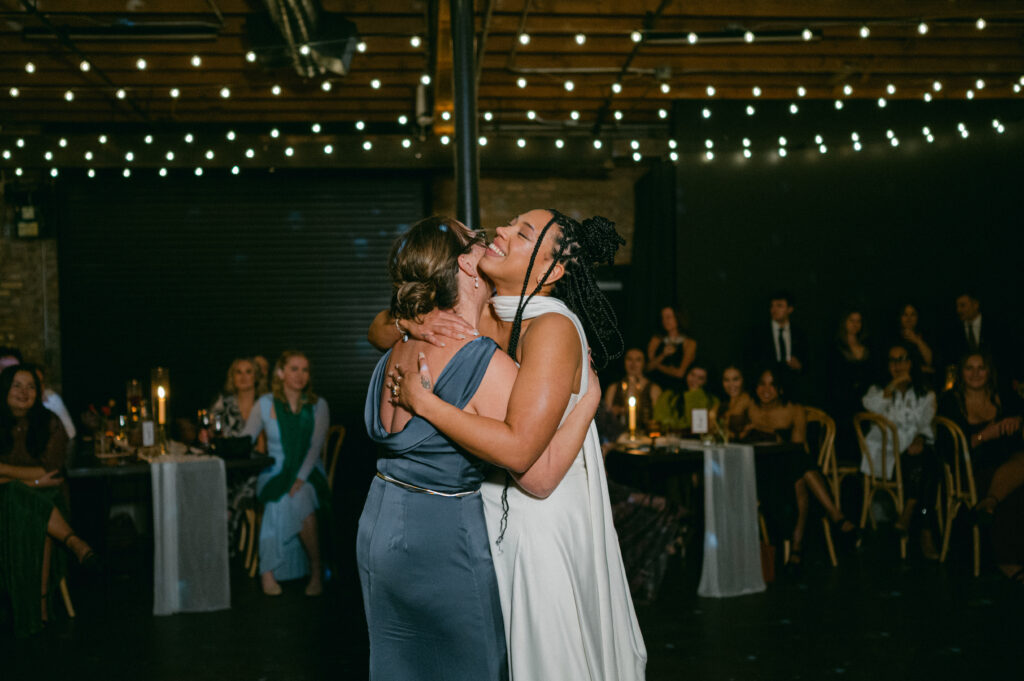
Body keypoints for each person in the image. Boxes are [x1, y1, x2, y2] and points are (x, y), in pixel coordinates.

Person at [382, 209, 646, 680]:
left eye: (522, 233)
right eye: (510, 223)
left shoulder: (550, 328)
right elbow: (379, 325)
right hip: (486, 514)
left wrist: (588, 405)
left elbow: (533, 471)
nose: (500, 231)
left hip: (537, 520)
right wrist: (415, 326)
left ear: (551, 271)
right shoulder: (484, 313)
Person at [0, 364, 97, 636]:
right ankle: (73, 542)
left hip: (45, 500)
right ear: (4, 389)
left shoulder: (50, 423)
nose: (24, 392)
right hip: (5, 506)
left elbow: (51, 472)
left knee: (34, 503)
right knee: (25, 497)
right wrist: (32, 481)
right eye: (17, 385)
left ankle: (38, 603)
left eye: (31, 386)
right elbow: (39, 476)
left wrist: (8, 472)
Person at [241, 351, 330, 597]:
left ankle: (315, 569)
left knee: (299, 496)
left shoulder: (317, 405)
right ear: (280, 373)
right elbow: (245, 439)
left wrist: (299, 479)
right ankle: (267, 572)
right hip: (274, 471)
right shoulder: (265, 404)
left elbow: (314, 449)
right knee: (277, 497)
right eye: (294, 369)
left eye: (305, 370)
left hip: (309, 472)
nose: (300, 375)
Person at [747, 367, 854, 566]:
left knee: (798, 474)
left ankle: (797, 546)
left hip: (788, 464)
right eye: (762, 383)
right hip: (761, 470)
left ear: (781, 388)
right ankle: (835, 516)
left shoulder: (795, 410)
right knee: (800, 469)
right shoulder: (750, 407)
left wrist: (767, 432)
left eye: (772, 384)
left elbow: (797, 443)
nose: (766, 389)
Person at [937, 353, 1024, 581]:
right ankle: (1007, 562)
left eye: (981, 368)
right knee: (1013, 490)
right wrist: (986, 435)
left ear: (990, 371)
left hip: (1009, 464)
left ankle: (989, 503)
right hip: (970, 470)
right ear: (961, 372)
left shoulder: (1004, 396)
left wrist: (1016, 421)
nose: (976, 373)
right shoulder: (950, 402)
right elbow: (948, 448)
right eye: (969, 368)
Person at [861, 342, 940, 558]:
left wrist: (920, 438)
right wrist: (893, 385)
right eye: (893, 360)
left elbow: (926, 421)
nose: (898, 365)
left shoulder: (925, 394)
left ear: (911, 362)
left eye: (903, 359)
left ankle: (911, 510)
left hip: (915, 455)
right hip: (887, 457)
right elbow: (871, 406)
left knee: (925, 460)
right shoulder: (878, 390)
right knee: (928, 466)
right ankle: (923, 527)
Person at [210, 357, 267, 557]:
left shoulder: (265, 403)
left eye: (248, 372)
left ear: (256, 377)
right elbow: (211, 432)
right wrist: (207, 434)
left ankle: (227, 551)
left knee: (238, 493)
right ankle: (218, 551)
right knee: (217, 490)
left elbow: (267, 445)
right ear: (232, 378)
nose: (243, 377)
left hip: (259, 468)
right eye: (238, 372)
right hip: (229, 468)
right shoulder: (223, 403)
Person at [826, 310, 872, 462]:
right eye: (851, 320)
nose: (855, 324)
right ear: (844, 322)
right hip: (843, 408)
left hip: (867, 404)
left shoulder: (867, 348)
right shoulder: (835, 348)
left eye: (858, 321)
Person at [746, 290, 809, 401]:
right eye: (772, 306)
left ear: (790, 309)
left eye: (779, 306)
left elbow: (808, 364)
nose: (774, 310)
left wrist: (799, 367)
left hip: (793, 391)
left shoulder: (799, 334)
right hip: (766, 392)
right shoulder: (758, 333)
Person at [603, 348, 661, 438]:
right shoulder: (613, 388)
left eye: (638, 360)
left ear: (644, 363)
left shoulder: (653, 389)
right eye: (629, 359)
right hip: (617, 439)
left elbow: (657, 420)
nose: (633, 364)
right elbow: (605, 420)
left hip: (645, 438)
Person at [653, 364, 718, 433]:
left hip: (698, 439)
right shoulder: (670, 394)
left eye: (700, 378)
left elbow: (698, 425)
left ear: (706, 381)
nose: (694, 380)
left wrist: (694, 394)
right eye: (692, 375)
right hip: (670, 437)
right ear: (686, 374)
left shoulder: (712, 400)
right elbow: (659, 419)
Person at [645, 306, 696, 391]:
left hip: (677, 388)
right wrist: (663, 355)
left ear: (678, 318)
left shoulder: (689, 343)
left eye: (668, 317)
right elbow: (648, 368)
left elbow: (680, 373)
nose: (665, 321)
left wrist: (657, 365)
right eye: (663, 318)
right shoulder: (656, 340)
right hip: (655, 386)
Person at [31, 364, 76, 440]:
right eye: (33, 384)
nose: (39, 387)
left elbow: (70, 433)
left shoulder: (51, 399)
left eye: (41, 383)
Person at [897, 303, 935, 376]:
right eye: (905, 315)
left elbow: (931, 363)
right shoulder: (894, 339)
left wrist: (917, 340)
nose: (909, 318)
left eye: (912, 315)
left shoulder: (926, 336)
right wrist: (920, 369)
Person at [718, 365, 753, 440]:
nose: (731, 384)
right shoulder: (723, 405)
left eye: (735, 379)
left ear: (743, 380)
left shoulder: (749, 400)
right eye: (726, 380)